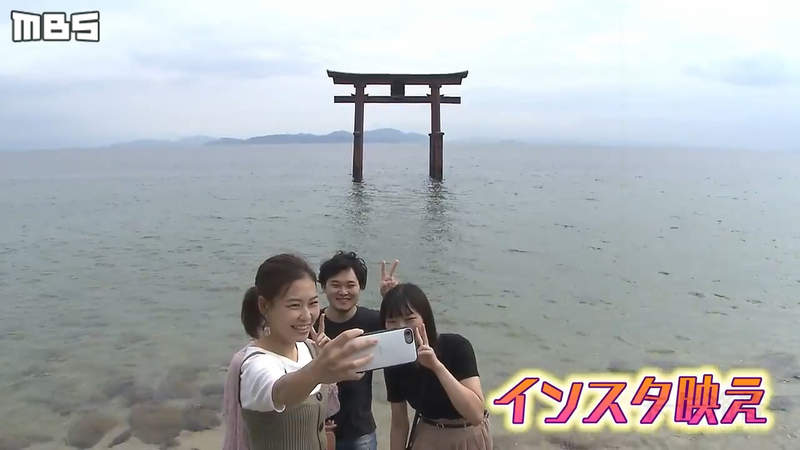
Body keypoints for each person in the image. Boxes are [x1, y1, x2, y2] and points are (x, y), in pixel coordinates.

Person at [222, 253, 377, 450]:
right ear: (264, 306)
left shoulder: (307, 348)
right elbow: (281, 392)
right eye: (294, 305)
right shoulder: (256, 364)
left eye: (313, 303)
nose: (306, 316)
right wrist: (318, 370)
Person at [381, 283, 492, 450]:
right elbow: (399, 422)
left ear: (425, 318)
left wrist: (436, 366)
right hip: (427, 436)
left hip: (468, 435)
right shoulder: (394, 362)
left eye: (410, 319)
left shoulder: (456, 346)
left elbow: (476, 414)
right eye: (392, 321)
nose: (401, 327)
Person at [316, 251, 398, 450]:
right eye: (335, 285)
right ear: (323, 287)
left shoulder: (374, 321)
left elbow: (404, 342)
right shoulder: (312, 325)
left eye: (350, 285)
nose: (343, 291)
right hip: (315, 430)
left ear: (360, 287)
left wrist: (392, 298)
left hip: (359, 431)